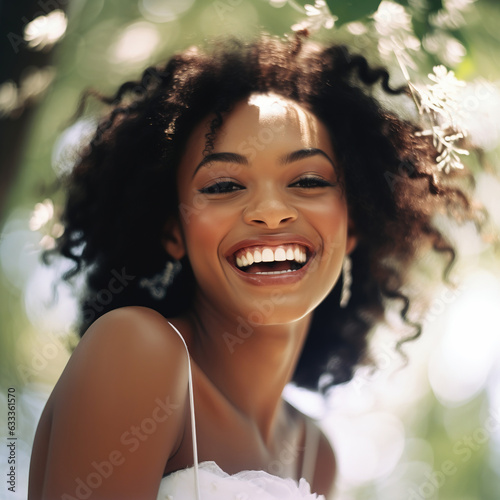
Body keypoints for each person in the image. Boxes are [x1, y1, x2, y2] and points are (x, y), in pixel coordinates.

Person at [27, 32, 479, 499]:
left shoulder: (313, 452)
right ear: (173, 232)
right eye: (223, 186)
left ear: (353, 225)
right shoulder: (136, 349)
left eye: (306, 180)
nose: (269, 211)